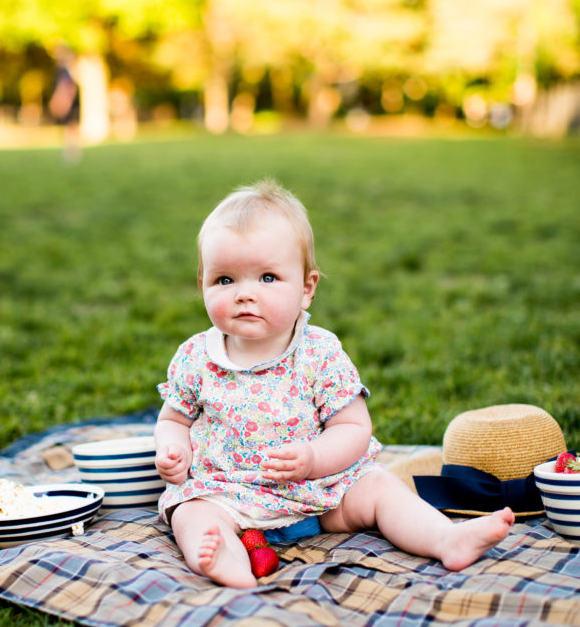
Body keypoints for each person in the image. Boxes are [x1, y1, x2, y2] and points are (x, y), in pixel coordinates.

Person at [154, 180, 514, 588]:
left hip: (320, 493)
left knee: (378, 486)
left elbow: (353, 428)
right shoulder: (196, 356)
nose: (244, 294)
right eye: (225, 280)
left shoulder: (319, 353)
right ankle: (225, 558)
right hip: (227, 493)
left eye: (268, 278)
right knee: (190, 512)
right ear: (202, 282)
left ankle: (446, 537)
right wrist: (172, 449)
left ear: (307, 289)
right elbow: (174, 419)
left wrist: (312, 457)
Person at [48, 46, 81, 163]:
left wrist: (59, 102)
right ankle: (71, 152)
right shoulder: (65, 70)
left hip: (67, 103)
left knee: (70, 127)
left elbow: (66, 88)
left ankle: (71, 153)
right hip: (68, 102)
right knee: (69, 128)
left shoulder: (64, 71)